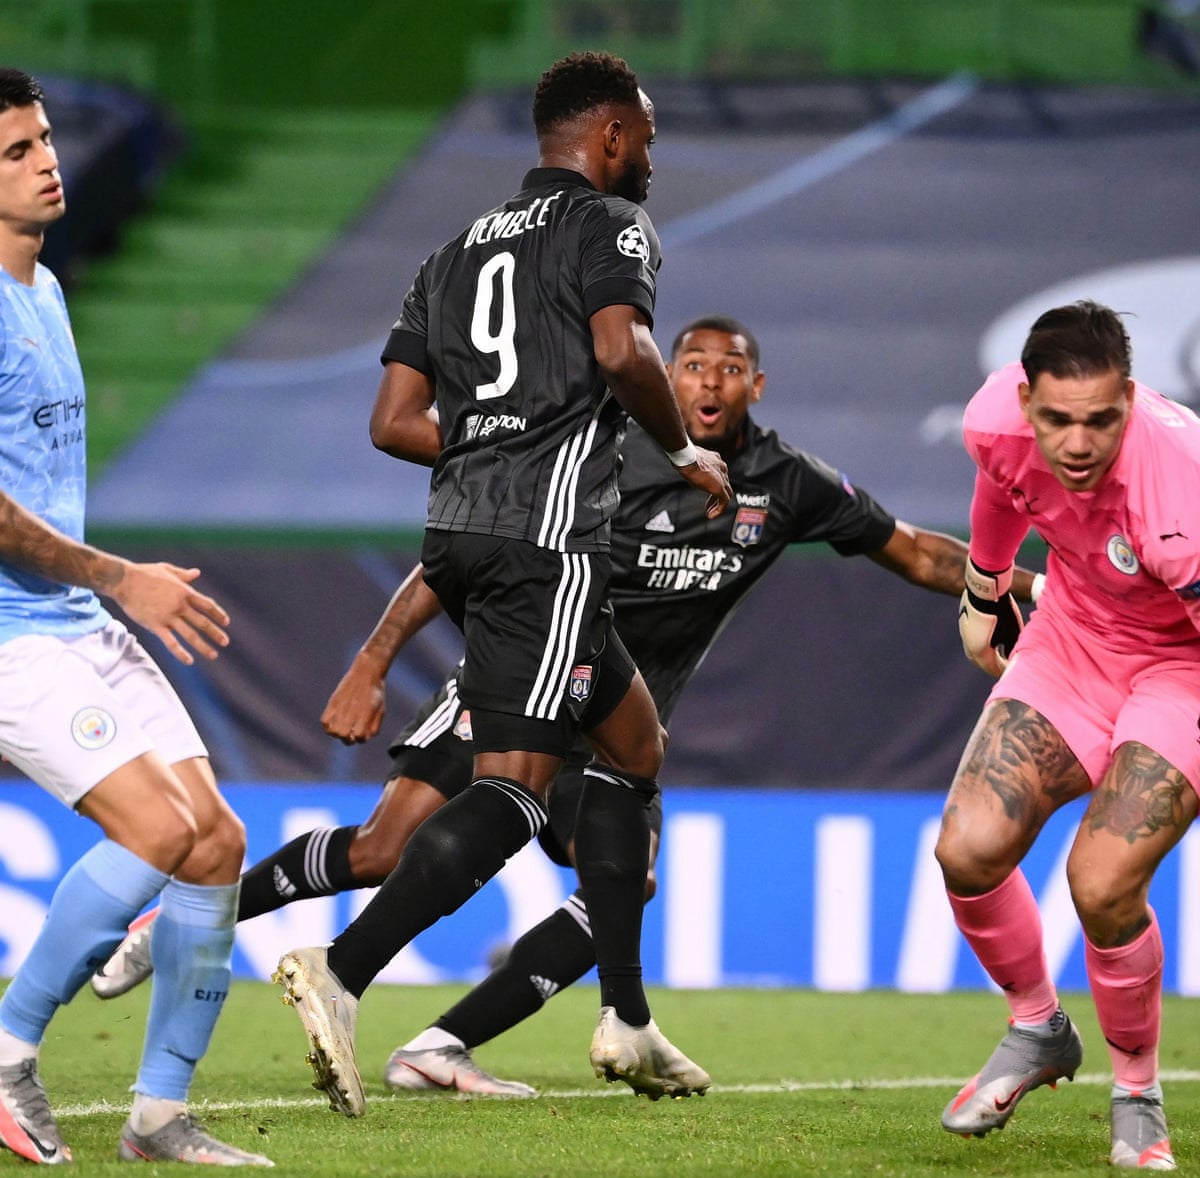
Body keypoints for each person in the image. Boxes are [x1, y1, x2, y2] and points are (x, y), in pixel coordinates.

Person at [95, 314, 1041, 1100]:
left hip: (613, 715)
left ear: (758, 385)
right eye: (693, 365)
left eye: (731, 369)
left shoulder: (784, 484)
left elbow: (918, 551)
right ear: (668, 377)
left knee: (623, 886)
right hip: (517, 672)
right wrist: (374, 661)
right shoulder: (613, 448)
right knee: (383, 849)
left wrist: (1014, 588)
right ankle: (182, 924)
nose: (710, 382)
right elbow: (466, 544)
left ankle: (439, 1046)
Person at [267, 50, 732, 1119]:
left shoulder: (452, 250)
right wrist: (684, 452)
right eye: (647, 141)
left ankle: (625, 1011)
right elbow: (622, 352)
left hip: (461, 535)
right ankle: (342, 972)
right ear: (609, 136)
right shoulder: (609, 226)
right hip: (547, 541)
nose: (651, 162)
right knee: (517, 786)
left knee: (634, 746)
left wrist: (486, 453)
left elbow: (392, 423)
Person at [0, 69, 271, 1168]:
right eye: (15, 151)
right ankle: (9, 1053)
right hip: (13, 634)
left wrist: (102, 587)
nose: (48, 161)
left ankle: (159, 1116)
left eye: (45, 139)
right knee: (156, 833)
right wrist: (121, 578)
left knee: (215, 844)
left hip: (73, 613)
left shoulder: (47, 291)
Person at [936, 300, 1200, 1171]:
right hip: (1075, 638)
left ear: (1130, 397)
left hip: (1182, 665)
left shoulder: (1181, 485)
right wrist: (983, 591)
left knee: (1102, 880)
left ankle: (1137, 1091)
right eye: (1057, 420)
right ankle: (1039, 1029)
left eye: (1099, 420)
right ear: (1026, 400)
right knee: (967, 849)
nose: (1077, 444)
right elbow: (999, 484)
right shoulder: (992, 418)